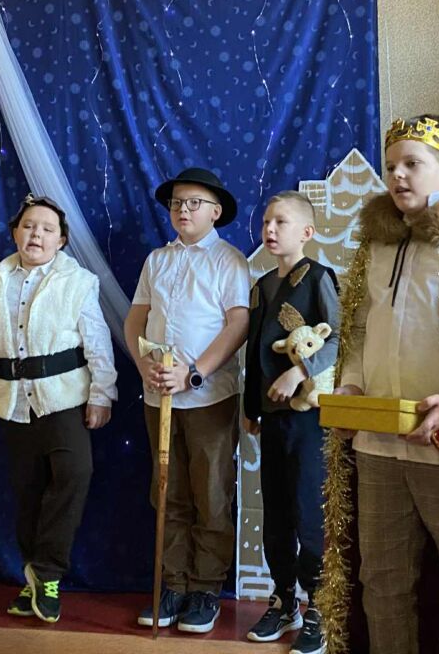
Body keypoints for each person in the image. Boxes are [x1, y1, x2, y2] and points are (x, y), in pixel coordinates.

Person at [322, 115, 439, 654]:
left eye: (412, 164)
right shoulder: (377, 243)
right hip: (378, 446)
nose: (398, 176)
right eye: (391, 166)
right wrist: (352, 386)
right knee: (381, 581)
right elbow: (358, 328)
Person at [0, 195, 118, 624]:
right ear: (16, 232)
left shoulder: (79, 281)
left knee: (74, 473)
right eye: (29, 226)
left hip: (63, 397)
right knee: (27, 491)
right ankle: (33, 580)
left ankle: (47, 572)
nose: (37, 234)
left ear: (61, 240)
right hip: (13, 401)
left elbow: (97, 340)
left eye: (47, 229)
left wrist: (102, 394)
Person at [130, 167, 250, 635]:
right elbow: (136, 319)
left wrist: (194, 372)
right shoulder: (157, 260)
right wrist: (145, 365)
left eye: (194, 202)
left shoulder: (229, 260)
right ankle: (173, 584)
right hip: (158, 395)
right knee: (167, 490)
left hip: (209, 397)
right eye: (177, 202)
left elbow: (237, 325)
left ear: (215, 212)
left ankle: (205, 588)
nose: (183, 210)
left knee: (211, 494)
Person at [242, 191, 339, 654]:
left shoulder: (319, 277)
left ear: (307, 232)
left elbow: (337, 338)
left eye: (281, 221)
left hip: (309, 416)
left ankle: (321, 605)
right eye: (266, 221)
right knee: (276, 511)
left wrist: (299, 372)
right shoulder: (261, 285)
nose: (270, 229)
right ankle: (284, 599)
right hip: (272, 415)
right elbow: (254, 352)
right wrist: (251, 408)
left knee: (308, 510)